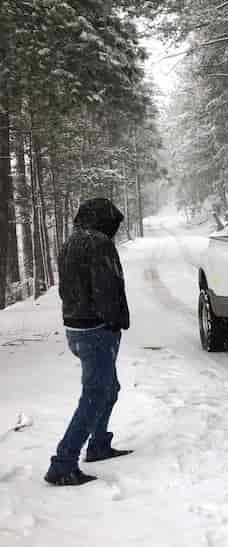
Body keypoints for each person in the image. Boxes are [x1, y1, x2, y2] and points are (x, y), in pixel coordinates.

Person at [44, 198, 132, 486]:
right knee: (94, 395)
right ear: (102, 220)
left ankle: (99, 445)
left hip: (76, 328)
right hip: (96, 329)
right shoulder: (98, 243)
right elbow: (107, 286)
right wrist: (114, 321)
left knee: (108, 389)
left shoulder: (71, 242)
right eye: (111, 223)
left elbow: (65, 290)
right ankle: (63, 464)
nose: (113, 230)